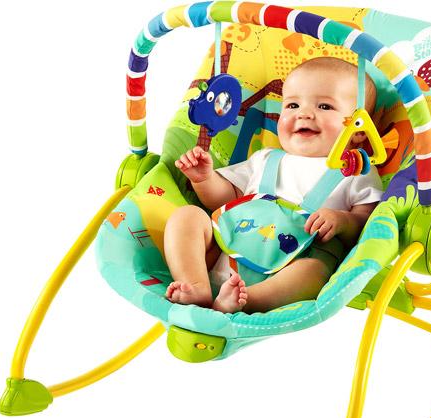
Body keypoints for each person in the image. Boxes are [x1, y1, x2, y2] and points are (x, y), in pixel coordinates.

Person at [164, 57, 383, 314]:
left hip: (293, 265)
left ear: (359, 130)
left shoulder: (357, 171)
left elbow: (367, 225)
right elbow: (223, 201)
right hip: (226, 249)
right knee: (188, 216)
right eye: (292, 105)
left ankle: (245, 301)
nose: (303, 113)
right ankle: (195, 284)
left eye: (325, 106)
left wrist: (343, 220)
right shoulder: (265, 159)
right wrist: (204, 179)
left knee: (315, 272)